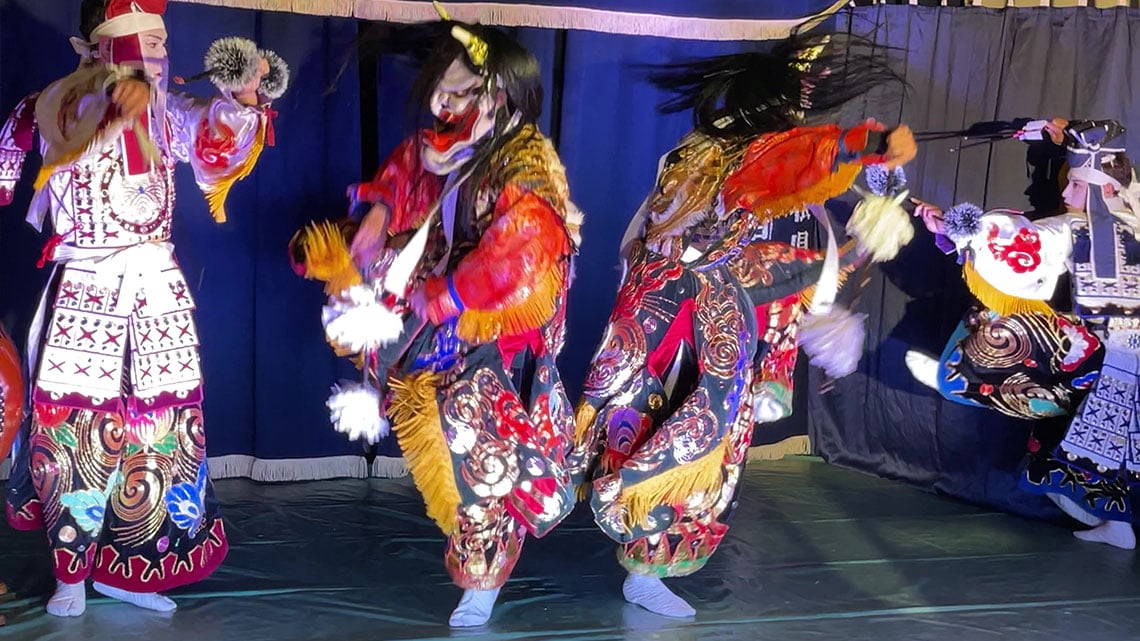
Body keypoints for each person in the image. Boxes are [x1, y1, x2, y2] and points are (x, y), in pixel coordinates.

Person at [566, 29, 917, 618]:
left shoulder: (693, 149)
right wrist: (871, 142)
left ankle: (635, 548)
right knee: (698, 430)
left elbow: (665, 234)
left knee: (641, 415)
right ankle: (636, 541)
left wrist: (845, 250)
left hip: (655, 302)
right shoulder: (746, 154)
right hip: (690, 311)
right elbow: (794, 162)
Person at [291, 14, 583, 628]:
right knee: (442, 435)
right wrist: (376, 211)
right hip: (435, 317)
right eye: (439, 91)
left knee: (476, 449)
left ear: (497, 95)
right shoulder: (446, 145)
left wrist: (451, 293)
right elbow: (406, 175)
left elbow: (526, 244)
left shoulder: (526, 163)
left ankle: (484, 569)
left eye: (457, 92)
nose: (440, 103)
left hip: (492, 329)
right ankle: (489, 539)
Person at [0, 0, 288, 616]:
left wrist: (240, 104)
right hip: (87, 291)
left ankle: (133, 566)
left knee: (161, 435)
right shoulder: (57, 102)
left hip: (157, 293)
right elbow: (55, 128)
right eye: (146, 45)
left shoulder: (165, 115)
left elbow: (212, 147)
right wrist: (108, 104)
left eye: (161, 44)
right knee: (76, 432)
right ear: (107, 48)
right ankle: (71, 575)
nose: (160, 57)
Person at [914, 118, 1138, 549]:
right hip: (1126, 363)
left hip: (1104, 359)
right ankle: (1120, 524)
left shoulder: (1078, 228)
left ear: (1105, 190)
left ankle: (970, 374)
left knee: (1000, 330)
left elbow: (1028, 244)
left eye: (1076, 186)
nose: (1067, 195)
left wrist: (958, 229)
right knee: (1110, 440)